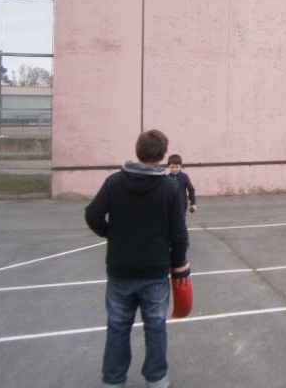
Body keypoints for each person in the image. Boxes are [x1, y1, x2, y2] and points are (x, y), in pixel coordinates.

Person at [85, 129, 190, 388]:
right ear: (163, 155)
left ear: (138, 151)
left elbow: (92, 215)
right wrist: (180, 265)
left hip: (121, 269)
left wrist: (113, 235)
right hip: (154, 272)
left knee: (118, 327)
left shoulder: (114, 182)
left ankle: (113, 380)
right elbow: (179, 233)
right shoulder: (169, 188)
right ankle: (156, 378)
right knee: (155, 327)